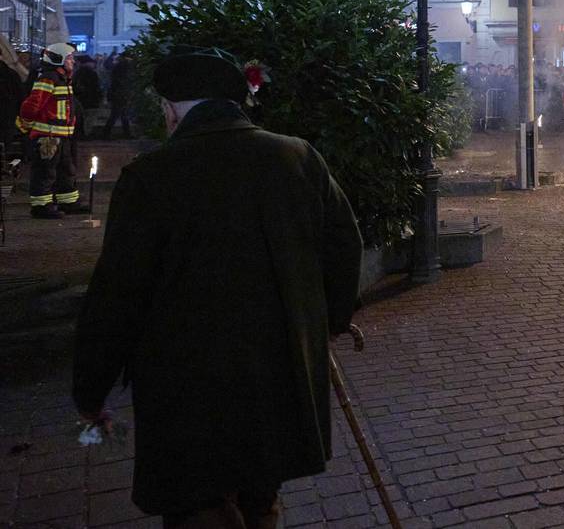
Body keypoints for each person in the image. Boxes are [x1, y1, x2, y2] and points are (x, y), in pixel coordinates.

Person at [73, 46, 363, 527]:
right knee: (260, 489)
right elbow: (343, 245)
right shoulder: (296, 156)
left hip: (188, 381)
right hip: (277, 367)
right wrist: (325, 324)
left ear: (171, 109)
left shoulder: (151, 177)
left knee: (199, 501)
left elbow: (117, 294)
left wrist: (91, 385)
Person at [18, 42, 84, 219]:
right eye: (70, 58)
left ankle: (68, 202)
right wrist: (27, 124)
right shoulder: (49, 78)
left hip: (61, 136)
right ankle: (41, 206)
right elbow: (31, 106)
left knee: (66, 170)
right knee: (45, 172)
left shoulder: (61, 78)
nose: (73, 62)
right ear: (59, 59)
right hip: (48, 137)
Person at [102, 52, 136, 139]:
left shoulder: (119, 66)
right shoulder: (124, 66)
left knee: (119, 114)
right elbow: (124, 81)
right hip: (120, 94)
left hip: (118, 94)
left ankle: (123, 133)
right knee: (118, 114)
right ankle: (107, 133)